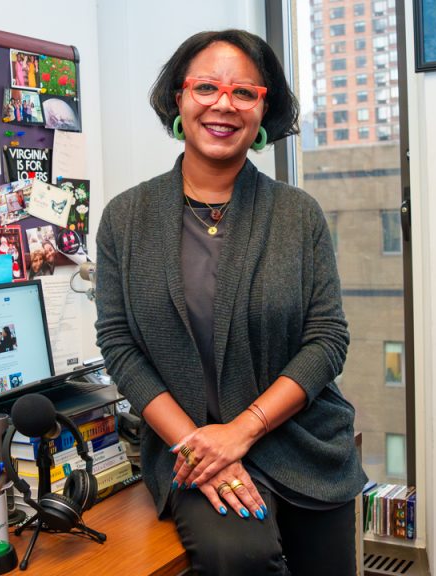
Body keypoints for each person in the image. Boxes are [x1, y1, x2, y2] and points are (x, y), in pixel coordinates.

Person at [94, 30, 365, 576]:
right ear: (180, 97)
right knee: (237, 556)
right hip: (189, 450)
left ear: (263, 108)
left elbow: (327, 340)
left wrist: (239, 433)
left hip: (302, 441)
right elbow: (119, 346)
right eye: (207, 87)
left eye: (245, 93)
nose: (224, 104)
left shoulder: (297, 215)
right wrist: (201, 447)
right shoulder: (127, 219)